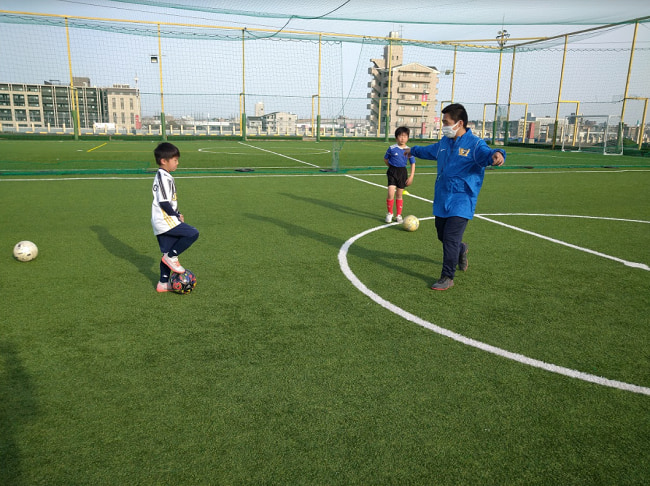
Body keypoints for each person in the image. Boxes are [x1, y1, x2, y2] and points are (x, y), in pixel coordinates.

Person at [404, 103, 505, 291]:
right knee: (442, 235)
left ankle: (447, 277)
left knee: (450, 237)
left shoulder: (475, 144)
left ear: (459, 123)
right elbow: (429, 150)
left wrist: (498, 154)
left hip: (462, 199)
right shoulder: (444, 142)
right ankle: (461, 249)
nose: (443, 126)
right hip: (443, 198)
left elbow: (488, 153)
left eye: (446, 122)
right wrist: (413, 150)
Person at [151, 142, 199, 292]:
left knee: (166, 253)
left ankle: (163, 283)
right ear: (163, 161)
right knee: (192, 233)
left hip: (162, 220)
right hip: (164, 220)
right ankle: (172, 257)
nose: (177, 163)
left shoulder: (164, 176)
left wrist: (177, 213)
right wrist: (176, 215)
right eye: (175, 160)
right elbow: (164, 202)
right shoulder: (163, 177)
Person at [384, 126, 416, 223]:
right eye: (400, 136)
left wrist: (411, 176)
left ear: (408, 138)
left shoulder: (408, 150)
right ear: (396, 137)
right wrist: (391, 167)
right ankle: (390, 213)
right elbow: (385, 159)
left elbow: (412, 163)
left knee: (399, 194)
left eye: (405, 136)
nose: (402, 138)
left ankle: (398, 215)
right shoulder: (392, 148)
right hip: (392, 171)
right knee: (390, 193)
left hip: (402, 172)